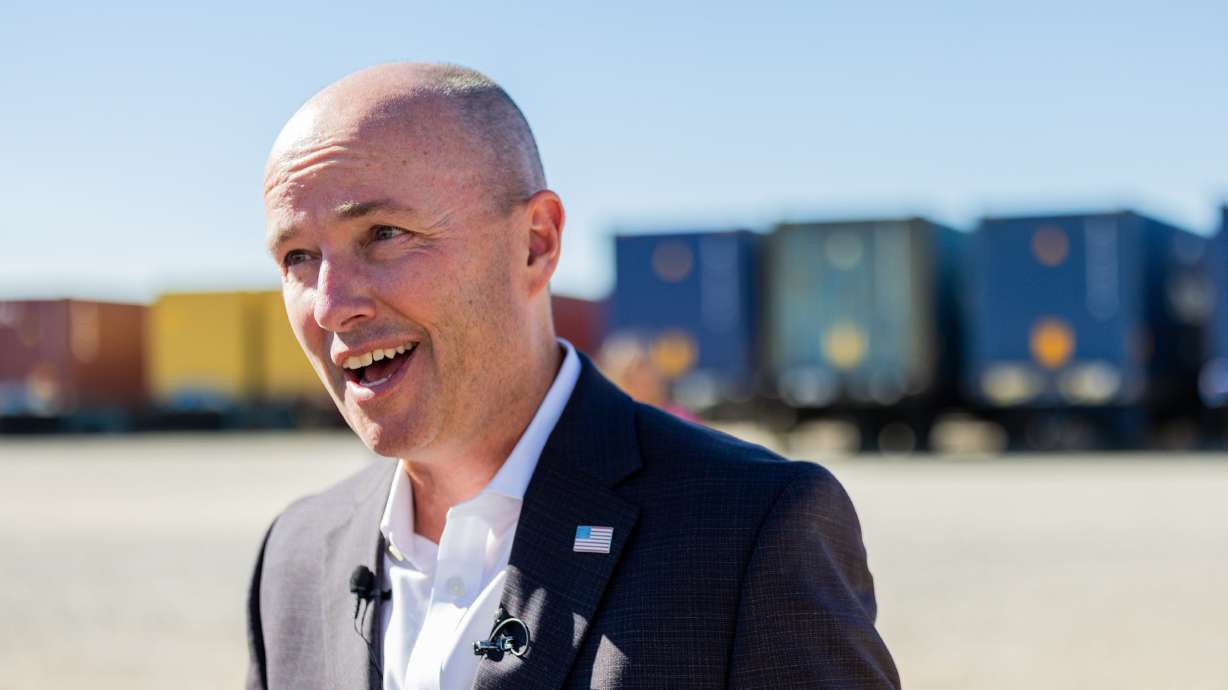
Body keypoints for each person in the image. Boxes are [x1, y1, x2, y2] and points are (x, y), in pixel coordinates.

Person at [247, 62, 900, 690]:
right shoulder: (297, 556)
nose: (330, 304)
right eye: (297, 257)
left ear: (536, 242)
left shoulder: (748, 532)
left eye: (384, 233)